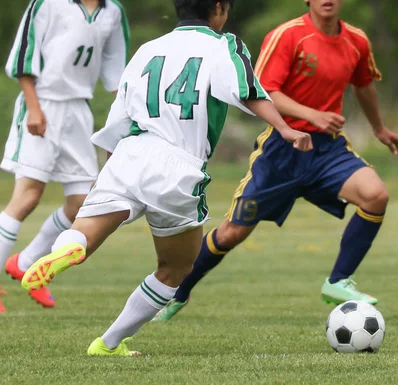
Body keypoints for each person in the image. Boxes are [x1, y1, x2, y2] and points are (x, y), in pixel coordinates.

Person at [19, 0, 312, 356]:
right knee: (176, 268)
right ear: (219, 8)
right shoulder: (224, 45)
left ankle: (67, 247)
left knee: (86, 232)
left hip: (130, 154)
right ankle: (108, 344)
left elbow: (119, 118)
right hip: (178, 167)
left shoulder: (148, 50)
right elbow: (249, 89)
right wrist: (284, 128)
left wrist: (109, 172)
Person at [153, 0, 398, 322]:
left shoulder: (356, 40)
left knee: (376, 195)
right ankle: (178, 292)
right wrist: (310, 114)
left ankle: (338, 281)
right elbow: (264, 90)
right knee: (231, 233)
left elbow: (364, 84)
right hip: (281, 152)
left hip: (327, 152)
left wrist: (380, 129)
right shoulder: (287, 36)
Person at [0, 0, 130, 313]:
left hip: (78, 111)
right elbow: (23, 57)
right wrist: (33, 107)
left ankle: (26, 263)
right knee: (28, 196)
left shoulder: (113, 11)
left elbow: (117, 73)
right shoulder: (48, 4)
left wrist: (125, 119)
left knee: (82, 203)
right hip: (43, 102)